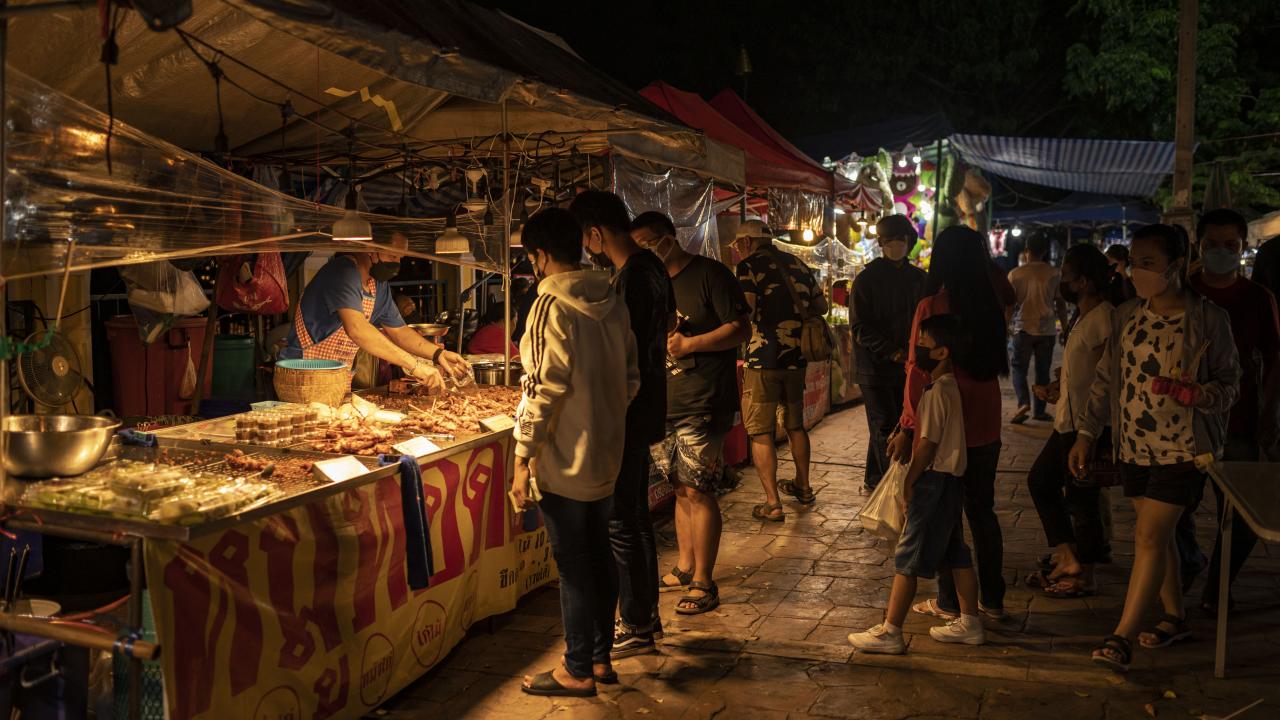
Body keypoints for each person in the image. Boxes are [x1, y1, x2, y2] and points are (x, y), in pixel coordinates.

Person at [1068, 223, 1239, 673]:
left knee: (1147, 537)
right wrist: (1087, 432)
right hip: (1133, 447)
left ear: (1176, 266)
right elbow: (1106, 379)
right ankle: (1175, 617)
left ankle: (1121, 637)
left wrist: (1199, 394)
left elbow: (1230, 385)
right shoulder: (1127, 314)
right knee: (1157, 539)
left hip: (1184, 449)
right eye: (1133, 263)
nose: (1136, 272)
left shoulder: (1208, 319)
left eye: (1148, 263)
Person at [510, 208, 640, 697]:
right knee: (600, 554)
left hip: (564, 457)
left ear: (540, 256)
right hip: (607, 451)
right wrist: (603, 418)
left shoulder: (549, 305)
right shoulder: (612, 298)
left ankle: (577, 668)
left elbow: (543, 388)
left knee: (573, 565)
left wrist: (522, 457)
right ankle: (600, 659)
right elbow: (631, 378)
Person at [568, 192, 675, 658]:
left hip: (629, 409)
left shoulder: (632, 276)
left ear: (594, 233)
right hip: (646, 404)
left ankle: (635, 622)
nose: (586, 248)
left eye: (585, 239)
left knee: (621, 522)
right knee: (633, 516)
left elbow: (619, 352)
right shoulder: (653, 268)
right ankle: (644, 617)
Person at [633, 211, 751, 620]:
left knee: (699, 489)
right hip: (662, 401)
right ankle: (685, 565)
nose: (645, 250)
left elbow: (741, 328)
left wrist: (691, 344)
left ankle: (704, 580)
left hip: (704, 399)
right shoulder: (648, 282)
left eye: (649, 242)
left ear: (668, 238)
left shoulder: (710, 275)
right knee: (680, 488)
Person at [889, 225, 1009, 622]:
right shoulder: (991, 306)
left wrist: (907, 427)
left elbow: (915, 369)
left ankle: (948, 601)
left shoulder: (932, 306)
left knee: (945, 514)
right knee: (982, 511)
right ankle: (992, 600)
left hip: (942, 427)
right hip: (985, 419)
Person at [848, 314, 985, 654]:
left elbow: (927, 445)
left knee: (907, 554)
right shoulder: (949, 388)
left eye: (923, 345)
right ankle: (970, 622)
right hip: (951, 481)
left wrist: (910, 482)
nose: (916, 350)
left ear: (942, 352)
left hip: (934, 480)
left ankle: (891, 631)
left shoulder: (938, 392)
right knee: (955, 551)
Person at [1189, 209, 1280, 613]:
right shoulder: (1183, 292)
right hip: (1185, 423)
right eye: (1213, 244)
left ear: (1243, 247)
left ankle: (1217, 587)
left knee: (1243, 516)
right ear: (1198, 245)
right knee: (1172, 508)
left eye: (1231, 245)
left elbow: (1275, 358)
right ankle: (1188, 562)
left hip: (1239, 422)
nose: (1221, 252)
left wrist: (1269, 414)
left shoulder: (1258, 299)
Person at [1025, 244, 1115, 599]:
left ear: (1086, 281)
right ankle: (1067, 555)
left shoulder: (1106, 318)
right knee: (1042, 482)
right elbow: (1083, 368)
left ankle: (1085, 573)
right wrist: (1058, 387)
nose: (1062, 282)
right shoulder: (1082, 315)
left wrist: (1089, 430)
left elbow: (1107, 375)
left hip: (1088, 425)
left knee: (1082, 500)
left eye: (1067, 276)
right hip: (1067, 420)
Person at [280, 232, 469, 390]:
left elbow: (400, 331)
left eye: (400, 258)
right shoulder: (342, 272)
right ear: (371, 248)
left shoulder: (378, 285)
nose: (397, 264)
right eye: (392, 256)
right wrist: (414, 365)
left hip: (338, 379)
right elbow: (357, 329)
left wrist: (438, 354)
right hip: (304, 375)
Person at [733, 219, 829, 521]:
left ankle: (773, 503)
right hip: (796, 360)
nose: (738, 250)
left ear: (746, 242)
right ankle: (804, 487)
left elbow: (747, 310)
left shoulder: (748, 266)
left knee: (760, 430)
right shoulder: (797, 264)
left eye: (738, 245)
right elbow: (822, 306)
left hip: (762, 361)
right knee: (795, 425)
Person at [848, 215, 928, 492]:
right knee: (884, 426)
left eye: (900, 239)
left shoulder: (920, 279)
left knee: (897, 425)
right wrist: (892, 352)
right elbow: (859, 327)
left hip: (909, 367)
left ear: (909, 242)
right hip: (874, 367)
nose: (896, 245)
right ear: (881, 243)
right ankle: (894, 489)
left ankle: (875, 479)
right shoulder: (866, 279)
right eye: (890, 240)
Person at [1008, 231, 1067, 424]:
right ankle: (1039, 411)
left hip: (1023, 327)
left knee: (1018, 368)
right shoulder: (1054, 273)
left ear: (1027, 251)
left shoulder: (1015, 274)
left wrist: (1005, 325)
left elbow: (1010, 305)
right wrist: (1065, 327)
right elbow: (1060, 304)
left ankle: (1023, 402)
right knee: (1043, 371)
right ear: (1045, 251)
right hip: (1046, 330)